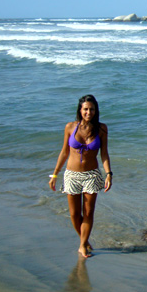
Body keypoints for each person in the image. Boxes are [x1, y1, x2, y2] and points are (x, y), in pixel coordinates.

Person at [49, 94, 112, 258]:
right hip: (71, 175)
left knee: (89, 212)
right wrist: (55, 174)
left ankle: (83, 245)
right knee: (74, 214)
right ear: (80, 110)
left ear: (96, 110)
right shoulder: (70, 127)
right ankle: (84, 240)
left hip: (92, 175)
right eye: (85, 109)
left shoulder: (102, 129)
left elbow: (104, 154)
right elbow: (64, 152)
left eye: (92, 109)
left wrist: (109, 174)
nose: (88, 112)